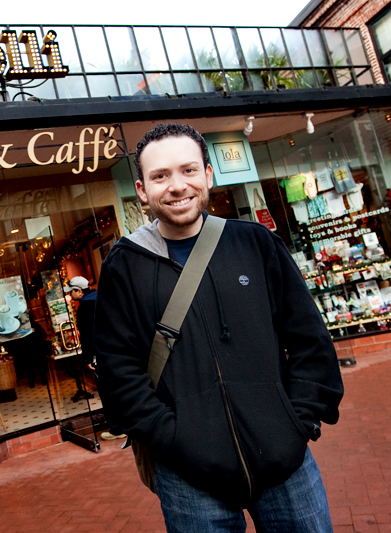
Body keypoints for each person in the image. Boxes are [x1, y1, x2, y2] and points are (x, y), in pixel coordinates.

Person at [94, 123, 344, 532]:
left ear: (208, 176)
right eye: (160, 176)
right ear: (142, 190)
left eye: (188, 170)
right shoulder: (123, 267)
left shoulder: (256, 244)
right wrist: (173, 440)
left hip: (285, 461)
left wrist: (301, 421)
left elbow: (308, 339)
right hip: (189, 475)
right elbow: (118, 371)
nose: (177, 186)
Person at [64, 276, 127, 441]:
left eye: (72, 291)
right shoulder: (104, 298)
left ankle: (117, 428)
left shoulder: (85, 307)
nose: (70, 295)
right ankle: (128, 422)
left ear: (79, 291)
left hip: (100, 355)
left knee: (106, 392)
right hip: (117, 351)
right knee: (120, 387)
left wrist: (88, 358)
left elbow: (87, 335)